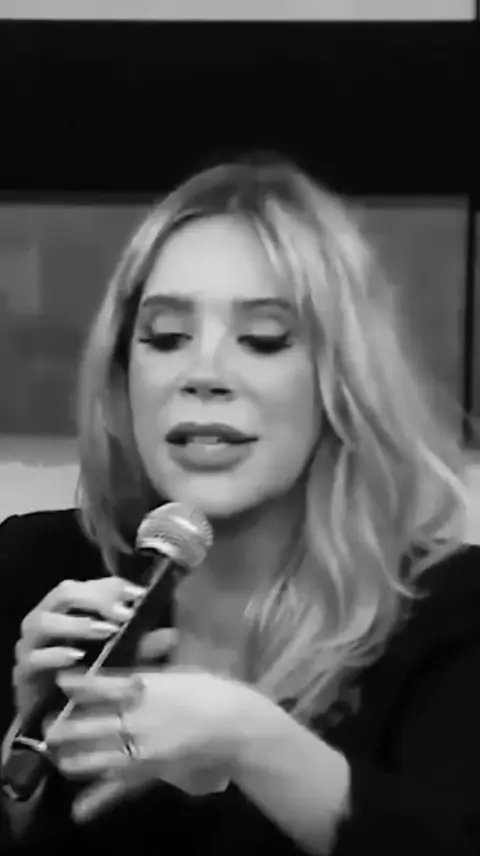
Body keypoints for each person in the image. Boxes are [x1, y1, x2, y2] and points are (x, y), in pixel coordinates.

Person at [0, 152, 479, 856]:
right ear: (123, 377)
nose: (204, 374)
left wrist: (253, 743)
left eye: (263, 340)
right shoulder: (31, 570)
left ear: (340, 383)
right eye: (166, 338)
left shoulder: (451, 610)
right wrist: (21, 752)